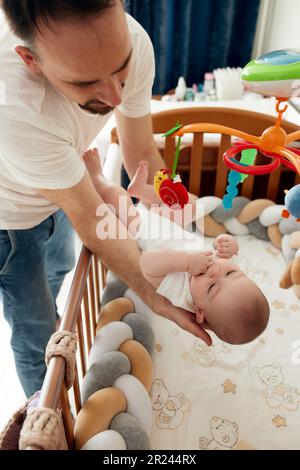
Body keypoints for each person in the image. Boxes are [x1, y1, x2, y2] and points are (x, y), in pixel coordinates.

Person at [0, 0, 210, 398]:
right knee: (36, 331)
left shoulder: (133, 40)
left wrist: (178, 203)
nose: (115, 96)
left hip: (65, 183)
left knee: (60, 264)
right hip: (9, 217)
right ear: (32, 61)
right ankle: (44, 408)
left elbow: (141, 151)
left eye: (121, 68)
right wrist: (159, 298)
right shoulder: (14, 105)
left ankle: (52, 298)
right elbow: (92, 218)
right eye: (85, 83)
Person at [84, 150, 270, 345]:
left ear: (198, 311)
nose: (217, 271)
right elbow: (228, 253)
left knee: (117, 196)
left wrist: (188, 263)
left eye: (212, 286)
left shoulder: (182, 292)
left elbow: (146, 264)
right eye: (231, 273)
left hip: (137, 230)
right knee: (183, 200)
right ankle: (140, 191)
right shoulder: (221, 271)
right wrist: (229, 244)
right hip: (167, 226)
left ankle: (97, 178)